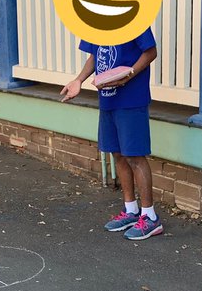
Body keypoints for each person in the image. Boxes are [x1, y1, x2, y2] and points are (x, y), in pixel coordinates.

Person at [60, 30, 161, 240]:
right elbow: (95, 56)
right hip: (107, 99)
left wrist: (128, 75)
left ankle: (150, 217)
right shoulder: (95, 20)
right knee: (117, 154)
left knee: (134, 155)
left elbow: (151, 52)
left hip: (132, 99)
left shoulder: (135, 18)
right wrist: (78, 80)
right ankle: (131, 211)